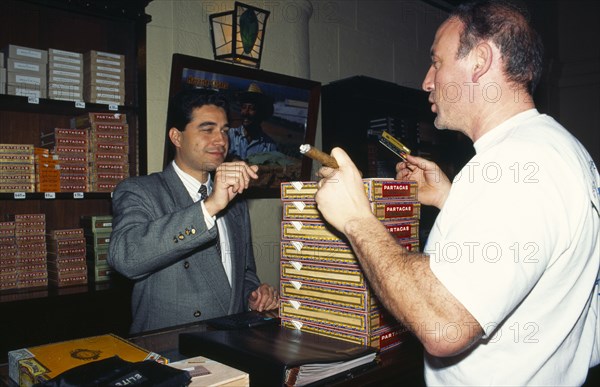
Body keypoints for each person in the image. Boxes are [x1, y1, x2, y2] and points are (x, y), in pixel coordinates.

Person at [314, 1, 600, 385]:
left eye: (437, 61)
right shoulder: (559, 149)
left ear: (480, 60)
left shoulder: (515, 164)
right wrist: (451, 201)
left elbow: (442, 326)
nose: (427, 81)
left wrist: (355, 218)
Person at [108, 89, 278, 334]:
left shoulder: (236, 201)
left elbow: (244, 271)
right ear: (177, 137)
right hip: (171, 350)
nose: (221, 140)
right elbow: (125, 258)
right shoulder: (140, 190)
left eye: (224, 130)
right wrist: (208, 207)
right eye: (207, 129)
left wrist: (253, 293)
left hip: (231, 342)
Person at [228, 83, 278, 160]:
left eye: (252, 108)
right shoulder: (229, 136)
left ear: (261, 113)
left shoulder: (269, 146)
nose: (245, 112)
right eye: (244, 107)